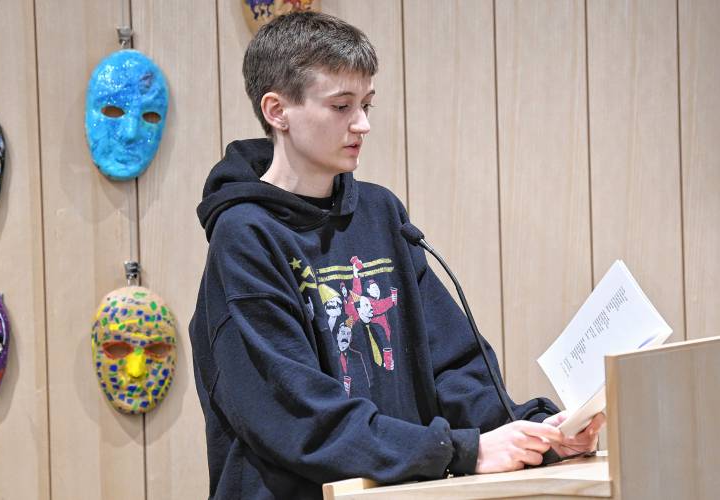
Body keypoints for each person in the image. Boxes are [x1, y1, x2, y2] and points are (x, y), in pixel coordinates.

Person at [189, 11, 604, 500]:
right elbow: (296, 414)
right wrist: (460, 451)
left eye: (366, 104)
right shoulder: (244, 235)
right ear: (277, 111)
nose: (362, 124)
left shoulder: (380, 213)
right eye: (341, 106)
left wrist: (535, 432)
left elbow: (451, 362)